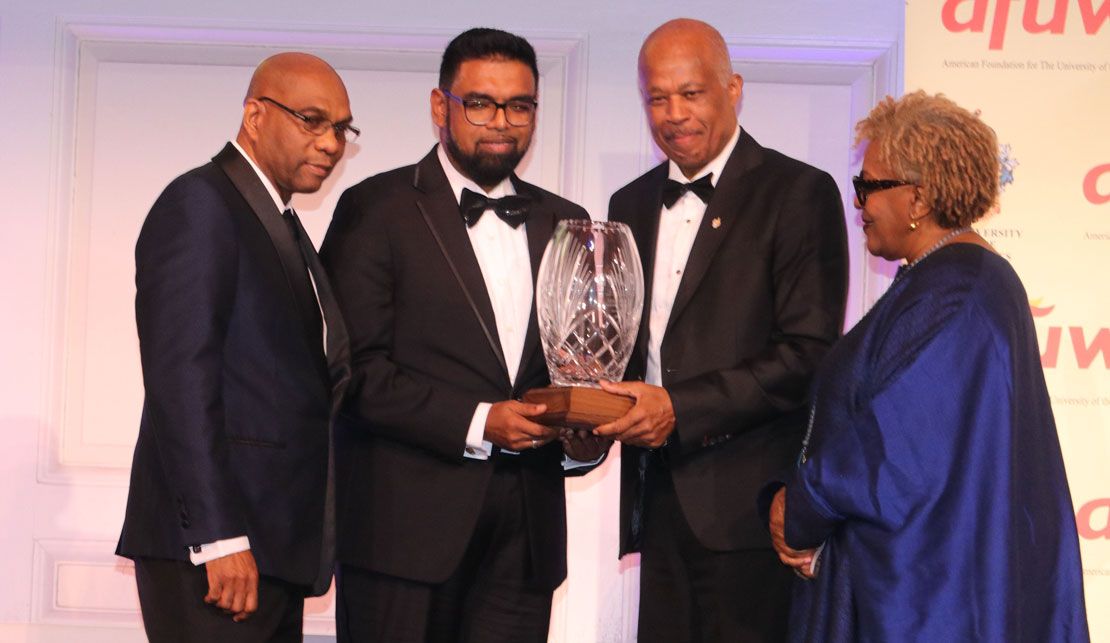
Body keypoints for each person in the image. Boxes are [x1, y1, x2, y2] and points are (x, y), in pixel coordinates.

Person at [762, 90, 1090, 641]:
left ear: (917, 199)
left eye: (869, 186)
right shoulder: (947, 281)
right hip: (931, 590)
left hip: (930, 605)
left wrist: (800, 507)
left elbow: (894, 445)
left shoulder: (959, 290)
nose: (859, 203)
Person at [319, 27, 608, 643]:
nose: (500, 121)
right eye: (479, 102)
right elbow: (354, 372)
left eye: (519, 105)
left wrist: (585, 440)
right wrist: (480, 421)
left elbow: (579, 372)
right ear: (439, 107)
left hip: (525, 540)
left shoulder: (568, 222)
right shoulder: (375, 208)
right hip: (400, 538)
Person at [595, 18, 849, 643]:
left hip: (753, 512)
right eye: (658, 97)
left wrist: (679, 408)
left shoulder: (799, 192)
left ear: (733, 88)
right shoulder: (626, 205)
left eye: (692, 93)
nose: (673, 114)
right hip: (657, 504)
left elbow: (808, 354)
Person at [115, 52, 355, 642]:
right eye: (311, 120)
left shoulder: (276, 220)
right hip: (217, 553)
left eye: (342, 129)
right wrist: (217, 537)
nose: (329, 143)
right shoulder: (201, 204)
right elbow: (180, 382)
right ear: (254, 114)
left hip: (272, 549)